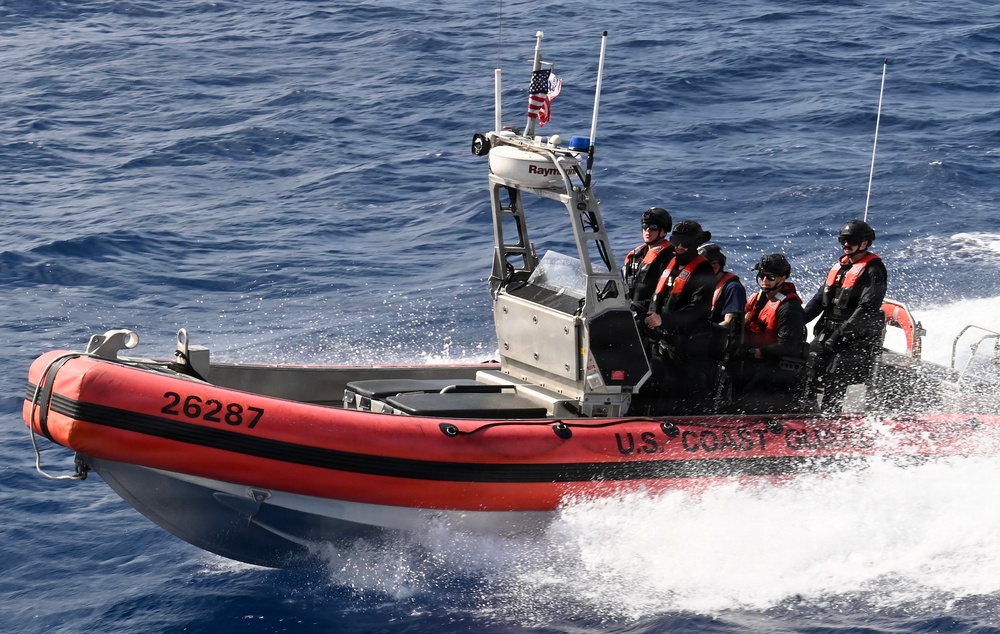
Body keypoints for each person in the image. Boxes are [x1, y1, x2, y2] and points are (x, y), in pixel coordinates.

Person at [803, 219, 888, 411]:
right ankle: (805, 413)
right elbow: (819, 299)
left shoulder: (874, 271)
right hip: (829, 331)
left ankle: (831, 419)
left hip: (855, 339)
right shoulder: (841, 267)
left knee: (835, 373)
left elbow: (867, 308)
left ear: (864, 243)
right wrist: (798, 319)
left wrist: (839, 334)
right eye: (843, 240)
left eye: (851, 240)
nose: (846, 245)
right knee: (807, 364)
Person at [642, 220, 716, 412]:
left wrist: (664, 320)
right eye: (676, 240)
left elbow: (698, 310)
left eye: (686, 242)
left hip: (688, 347)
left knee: (684, 395)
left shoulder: (703, 270)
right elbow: (653, 294)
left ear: (696, 244)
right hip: (663, 340)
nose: (680, 246)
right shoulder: (669, 263)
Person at [737, 254, 809, 412]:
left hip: (777, 366)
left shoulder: (789, 307)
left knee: (753, 389)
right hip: (754, 360)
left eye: (770, 277)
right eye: (761, 276)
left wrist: (756, 352)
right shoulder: (757, 299)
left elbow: (788, 345)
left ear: (782, 279)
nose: (764, 280)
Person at [622, 207, 674, 311]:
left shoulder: (670, 257)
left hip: (652, 316)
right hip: (629, 313)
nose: (648, 230)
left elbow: (669, 298)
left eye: (653, 227)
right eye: (645, 226)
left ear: (664, 232)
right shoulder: (635, 256)